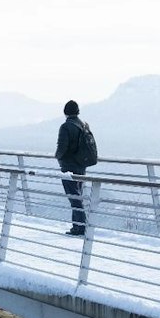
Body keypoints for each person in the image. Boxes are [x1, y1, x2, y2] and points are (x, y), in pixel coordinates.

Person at [55, 99, 99, 236]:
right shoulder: (83, 125)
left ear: (65, 112)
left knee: (74, 197)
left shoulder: (66, 127)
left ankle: (80, 227)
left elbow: (62, 148)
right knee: (78, 196)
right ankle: (80, 225)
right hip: (81, 166)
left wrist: (57, 157)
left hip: (69, 166)